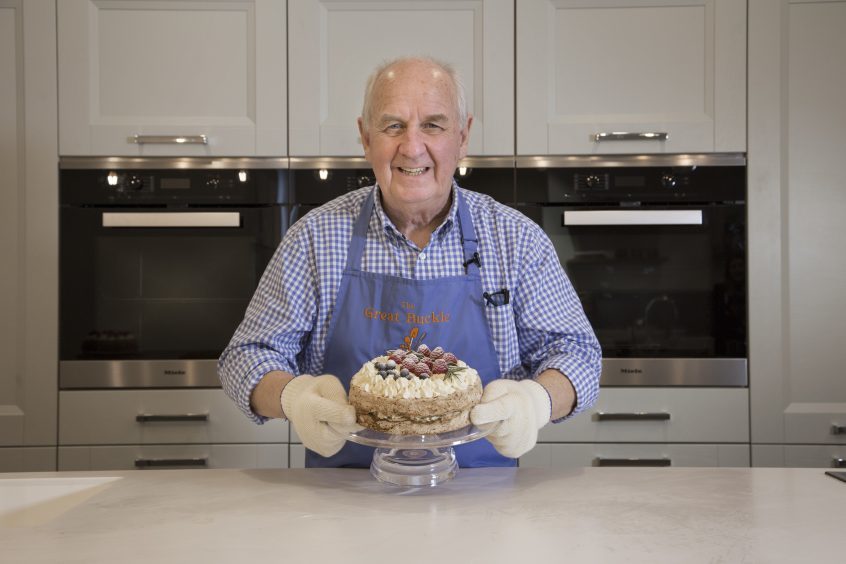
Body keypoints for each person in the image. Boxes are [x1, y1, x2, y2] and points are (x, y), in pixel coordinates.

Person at [218, 56, 602, 468]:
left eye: (433, 125)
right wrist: (294, 398)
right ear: (366, 138)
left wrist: (537, 400)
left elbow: (577, 353)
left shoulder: (516, 240)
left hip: (485, 502)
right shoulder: (313, 239)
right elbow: (247, 355)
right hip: (341, 501)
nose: (412, 147)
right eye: (393, 126)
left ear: (463, 135)